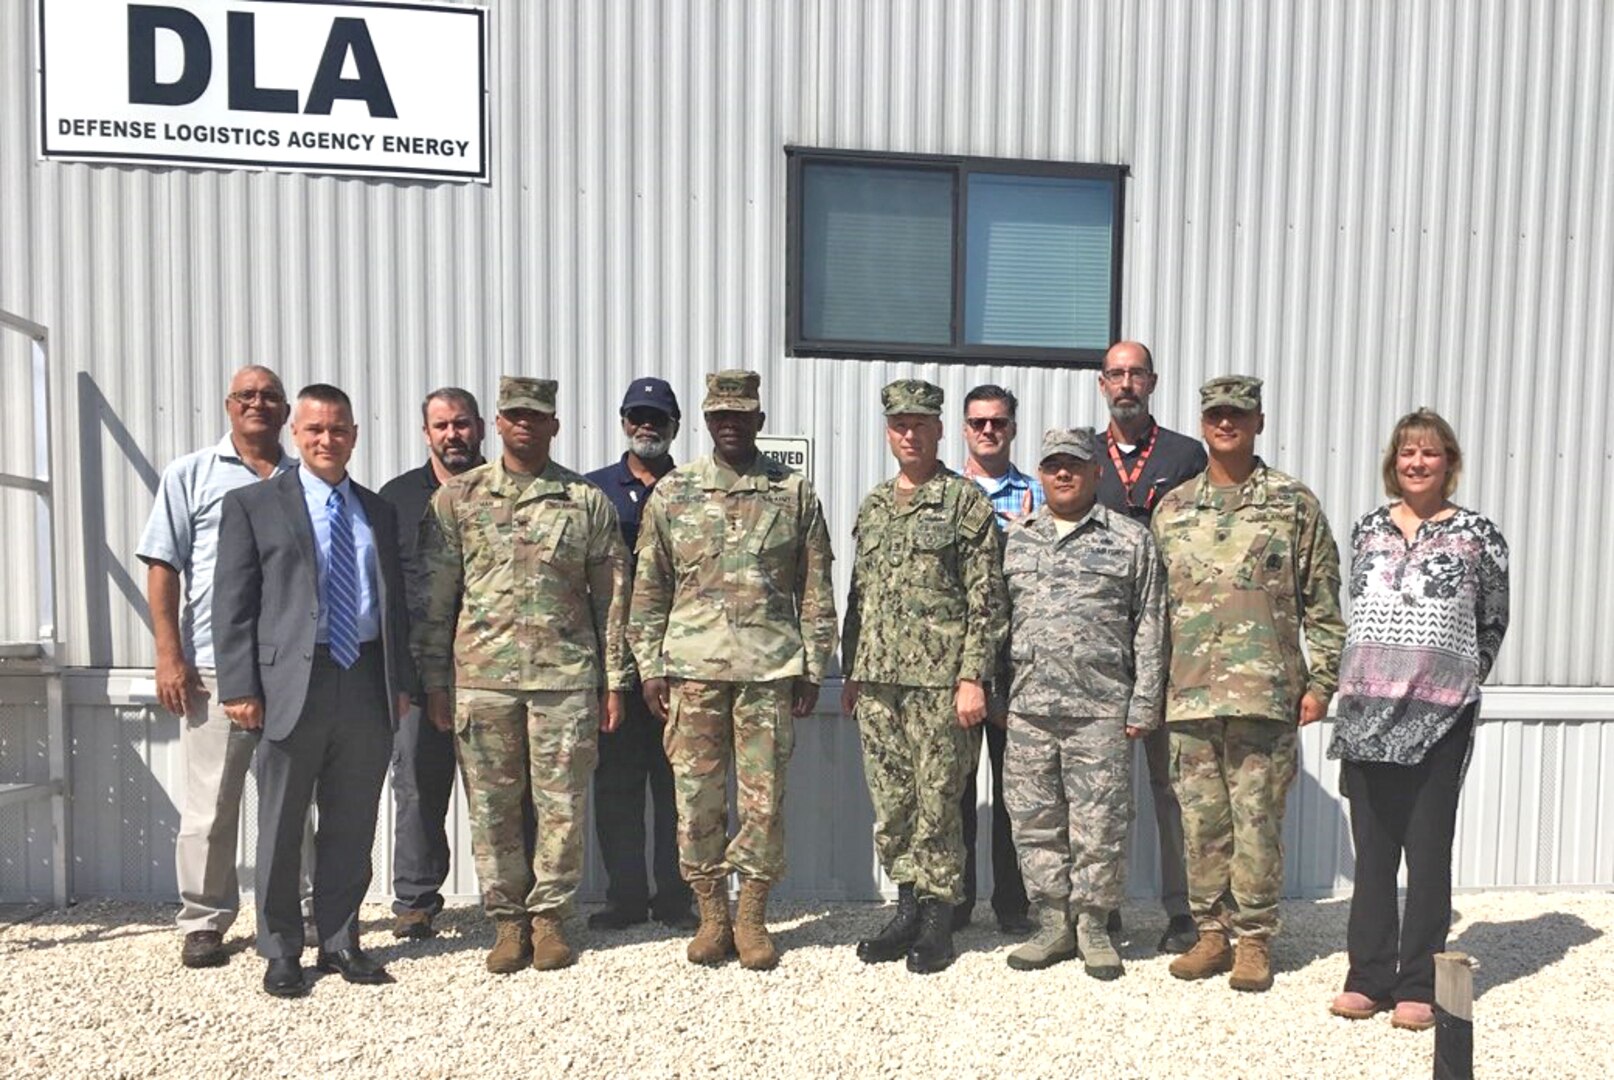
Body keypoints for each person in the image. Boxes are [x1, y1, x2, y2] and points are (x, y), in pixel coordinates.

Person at [414, 376, 631, 974]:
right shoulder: (459, 498)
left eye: (537, 417)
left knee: (561, 805)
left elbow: (612, 600)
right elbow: (437, 598)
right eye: (514, 415)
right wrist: (436, 680)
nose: (525, 425)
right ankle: (508, 922)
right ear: (498, 424)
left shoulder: (585, 502)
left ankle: (551, 919)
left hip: (564, 681)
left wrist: (615, 681)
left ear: (554, 425)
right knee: (492, 807)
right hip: (482, 680)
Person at [628, 370, 837, 970]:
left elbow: (815, 588)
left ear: (759, 421)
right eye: (720, 414)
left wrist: (812, 666)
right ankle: (711, 914)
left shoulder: (793, 493)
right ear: (705, 421)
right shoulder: (675, 493)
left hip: (768, 672)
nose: (730, 423)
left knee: (764, 802)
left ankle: (752, 916)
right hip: (691, 671)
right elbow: (649, 590)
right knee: (696, 800)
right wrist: (649, 667)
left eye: (741, 414)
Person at [213, 383, 415, 998]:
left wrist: (399, 681)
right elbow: (233, 604)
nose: (327, 440)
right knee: (279, 823)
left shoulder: (376, 510)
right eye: (315, 430)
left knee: (353, 822)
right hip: (288, 685)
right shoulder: (254, 505)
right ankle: (280, 949)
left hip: (364, 680)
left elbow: (394, 604)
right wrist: (240, 686)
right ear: (295, 435)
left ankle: (340, 939)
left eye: (339, 429)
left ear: (354, 435)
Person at [1151, 375, 1345, 993]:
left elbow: (1323, 603)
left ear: (1259, 421)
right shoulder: (1173, 509)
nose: (1226, 423)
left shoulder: (1293, 503)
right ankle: (1211, 933)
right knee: (1201, 824)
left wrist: (1323, 681)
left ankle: (1255, 939)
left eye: (1238, 414)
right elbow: (1153, 612)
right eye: (1215, 414)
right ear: (1203, 423)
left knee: (1257, 820)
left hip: (1266, 693)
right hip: (1188, 696)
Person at [1326, 410, 1509, 1031]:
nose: (1417, 463)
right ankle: (1368, 976)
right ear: (1393, 461)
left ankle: (1418, 984)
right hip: (1367, 711)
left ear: (1449, 462)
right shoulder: (1368, 530)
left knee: (1427, 853)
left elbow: (1493, 620)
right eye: (1407, 453)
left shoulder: (1479, 534)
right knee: (1374, 854)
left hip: (1440, 715)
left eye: (1429, 453)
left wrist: (1460, 677)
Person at [137, 364, 315, 970]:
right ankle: (205, 919)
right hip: (214, 668)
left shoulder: (305, 476)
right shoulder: (191, 474)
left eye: (270, 396)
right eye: (247, 396)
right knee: (212, 805)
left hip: (292, 669)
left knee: (293, 801)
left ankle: (295, 910)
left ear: (286, 409)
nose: (258, 404)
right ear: (228, 405)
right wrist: (170, 656)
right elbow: (163, 566)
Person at [843, 379, 1008, 975]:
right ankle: (907, 905)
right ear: (889, 432)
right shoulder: (875, 504)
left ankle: (940, 918)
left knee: (940, 803)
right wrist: (853, 668)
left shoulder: (965, 503)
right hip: (879, 681)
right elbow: (859, 596)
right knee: (892, 804)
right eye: (898, 425)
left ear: (940, 430)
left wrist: (973, 679)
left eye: (919, 424)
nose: (908, 434)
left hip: (940, 684)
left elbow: (986, 600)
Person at [1000, 428, 1167, 980]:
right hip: (1028, 708)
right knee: (1035, 821)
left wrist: (1144, 703)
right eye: (1052, 466)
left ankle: (1093, 924)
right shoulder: (1017, 537)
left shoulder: (1129, 539)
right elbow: (994, 621)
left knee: (1100, 822)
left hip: (1101, 709)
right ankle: (1051, 923)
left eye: (1074, 464)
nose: (1063, 474)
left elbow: (1150, 624)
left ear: (1096, 472)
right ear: (1040, 474)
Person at [1092, 340, 1207, 954]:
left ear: (1153, 382)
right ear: (1102, 384)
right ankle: (1101, 909)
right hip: (1103, 648)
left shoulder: (1186, 455)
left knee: (1172, 788)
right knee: (1101, 789)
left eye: (1137, 373)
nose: (1126, 384)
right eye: (1116, 374)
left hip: (1173, 646)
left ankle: (1183, 911)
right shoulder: (1083, 455)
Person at [585, 378, 696, 932]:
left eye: (658, 416)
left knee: (679, 786)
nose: (647, 425)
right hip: (615, 667)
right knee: (617, 788)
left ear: (676, 424)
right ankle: (625, 897)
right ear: (624, 421)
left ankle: (675, 897)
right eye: (637, 415)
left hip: (682, 663)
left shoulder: (697, 489)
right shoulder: (594, 491)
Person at [377, 387, 486, 940]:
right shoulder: (393, 500)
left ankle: (510, 900)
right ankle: (416, 900)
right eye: (441, 425)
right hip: (419, 676)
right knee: (418, 786)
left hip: (493, 675)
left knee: (502, 794)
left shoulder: (507, 492)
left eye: (462, 424)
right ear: (426, 434)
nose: (453, 435)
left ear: (480, 428)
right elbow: (380, 592)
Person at [955, 385, 1037, 935]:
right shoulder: (942, 494)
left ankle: (1014, 906)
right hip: (954, 664)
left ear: (1012, 428)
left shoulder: (1039, 495)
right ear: (964, 428)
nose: (989, 431)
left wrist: (1031, 537)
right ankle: (955, 903)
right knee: (954, 789)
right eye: (979, 422)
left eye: (999, 422)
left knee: (1017, 793)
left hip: (1017, 665)